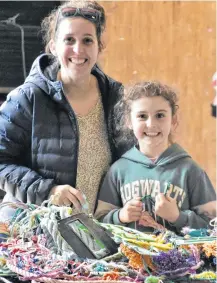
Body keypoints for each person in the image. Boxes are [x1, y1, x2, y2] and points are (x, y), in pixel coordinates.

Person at [0, 0, 128, 218]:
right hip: (34, 225)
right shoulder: (27, 97)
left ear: (99, 46)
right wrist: (48, 191)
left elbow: (132, 160)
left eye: (88, 40)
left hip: (98, 229)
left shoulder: (117, 97)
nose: (78, 50)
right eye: (69, 40)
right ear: (53, 46)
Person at [95, 81, 216, 234]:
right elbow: (98, 223)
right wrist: (120, 216)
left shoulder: (191, 171)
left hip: (181, 257)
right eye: (142, 116)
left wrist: (178, 217)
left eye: (160, 115)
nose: (151, 124)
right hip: (129, 257)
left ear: (173, 121)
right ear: (128, 121)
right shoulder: (118, 171)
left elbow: (212, 228)